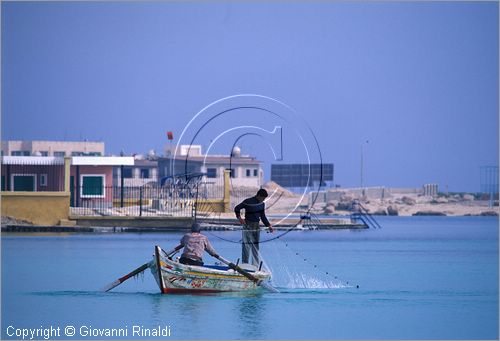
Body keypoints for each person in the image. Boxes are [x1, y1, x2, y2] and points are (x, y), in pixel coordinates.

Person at [234, 188, 274, 266]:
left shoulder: (262, 204)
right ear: (258, 195)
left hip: (256, 226)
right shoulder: (248, 201)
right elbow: (237, 208)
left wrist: (269, 225)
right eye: (263, 198)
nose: (263, 200)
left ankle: (255, 265)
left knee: (256, 246)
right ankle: (245, 264)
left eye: (264, 199)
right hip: (247, 225)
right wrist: (239, 218)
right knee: (246, 246)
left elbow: (263, 216)